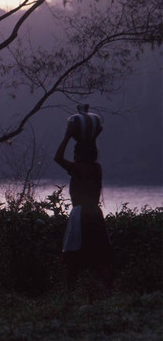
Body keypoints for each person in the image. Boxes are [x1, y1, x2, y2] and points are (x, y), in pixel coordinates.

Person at [54, 122, 112, 291]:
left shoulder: (77, 168)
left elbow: (57, 157)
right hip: (95, 214)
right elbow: (88, 150)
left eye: (75, 151)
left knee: (73, 260)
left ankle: (69, 296)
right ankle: (109, 292)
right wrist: (91, 137)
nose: (73, 154)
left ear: (79, 154)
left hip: (80, 215)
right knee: (100, 258)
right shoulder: (96, 168)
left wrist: (67, 136)